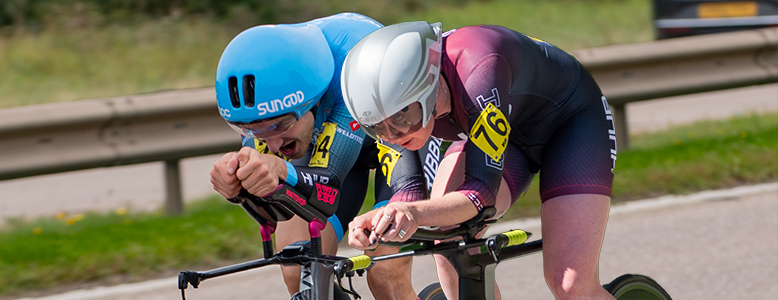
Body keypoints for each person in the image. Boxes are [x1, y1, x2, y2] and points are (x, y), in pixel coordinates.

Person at [341, 21, 618, 300]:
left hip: (569, 124)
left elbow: (480, 193)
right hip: (503, 128)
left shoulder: (479, 68)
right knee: (449, 243)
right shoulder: (392, 108)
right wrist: (383, 217)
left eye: (403, 118)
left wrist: (414, 212)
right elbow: (408, 194)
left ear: (428, 87)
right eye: (377, 127)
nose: (393, 135)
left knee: (571, 285)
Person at [210, 13, 445, 300]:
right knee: (300, 269)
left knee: (386, 273)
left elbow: (326, 189)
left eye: (281, 125)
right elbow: (278, 206)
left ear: (314, 100)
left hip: (399, 137)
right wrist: (239, 187)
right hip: (332, 138)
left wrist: (280, 171)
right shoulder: (269, 101)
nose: (272, 144)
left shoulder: (351, 72)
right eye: (252, 130)